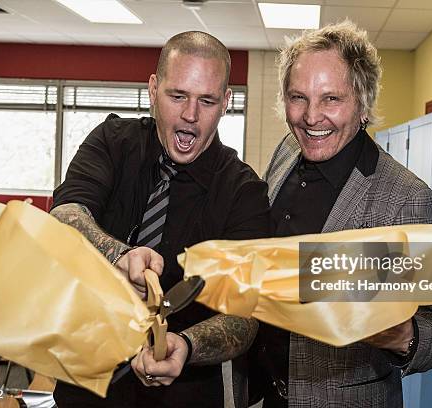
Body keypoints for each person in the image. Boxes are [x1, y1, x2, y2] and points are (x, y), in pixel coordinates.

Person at [50, 31, 270, 408]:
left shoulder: (244, 192)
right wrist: (119, 255)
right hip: (83, 388)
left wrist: (185, 345)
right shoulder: (111, 141)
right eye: (178, 95)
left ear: (226, 103)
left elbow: (244, 319)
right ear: (154, 89)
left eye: (207, 100)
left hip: (185, 395)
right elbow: (65, 215)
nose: (190, 114)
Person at [253, 20, 432, 407]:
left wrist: (398, 334)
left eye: (331, 99)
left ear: (362, 102)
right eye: (298, 97)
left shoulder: (408, 199)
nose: (311, 117)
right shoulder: (285, 153)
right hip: (263, 394)